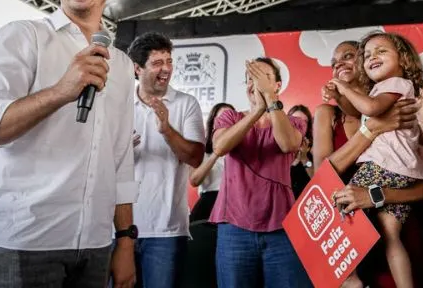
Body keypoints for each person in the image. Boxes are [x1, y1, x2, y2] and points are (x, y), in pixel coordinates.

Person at [0, 0, 138, 288]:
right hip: (18, 239)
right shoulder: (22, 37)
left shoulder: (121, 64)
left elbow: (119, 160)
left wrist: (125, 241)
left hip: (93, 242)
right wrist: (60, 92)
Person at [327, 32, 423, 288]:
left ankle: (351, 279)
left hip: (384, 165)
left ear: (403, 59)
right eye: (367, 55)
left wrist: (342, 87)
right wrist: (340, 95)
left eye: (381, 51)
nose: (372, 57)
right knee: (390, 236)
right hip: (401, 173)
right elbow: (357, 109)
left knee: (338, 206)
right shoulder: (384, 89)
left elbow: (370, 109)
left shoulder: (396, 84)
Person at [210, 58, 311, 288]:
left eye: (263, 78)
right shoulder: (230, 117)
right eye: (250, 79)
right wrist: (256, 111)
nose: (254, 84)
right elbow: (220, 147)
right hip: (234, 228)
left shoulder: (294, 122)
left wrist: (270, 102)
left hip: (281, 228)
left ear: (277, 85)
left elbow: (287, 144)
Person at [126, 32, 205, 288]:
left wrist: (167, 130)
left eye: (169, 61)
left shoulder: (186, 104)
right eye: (157, 63)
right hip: (120, 230)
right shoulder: (119, 104)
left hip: (167, 231)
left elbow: (195, 157)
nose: (166, 69)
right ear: (137, 69)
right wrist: (120, 150)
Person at [189, 102, 235, 222]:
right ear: (213, 123)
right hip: (209, 203)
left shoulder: (242, 151)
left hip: (236, 203)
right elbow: (194, 180)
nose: (226, 123)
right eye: (222, 118)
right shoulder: (202, 149)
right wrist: (216, 153)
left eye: (230, 118)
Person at [288, 104, 314, 198]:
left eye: (305, 121)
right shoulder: (279, 145)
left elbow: (316, 176)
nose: (300, 124)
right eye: (296, 119)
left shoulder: (312, 148)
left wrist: (304, 158)